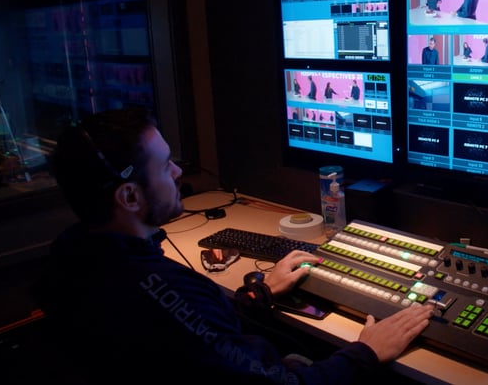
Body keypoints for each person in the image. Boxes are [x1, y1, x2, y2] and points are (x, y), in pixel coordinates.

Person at [32, 108, 434, 384]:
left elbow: (197, 339)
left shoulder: (69, 257)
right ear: (130, 197)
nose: (178, 172)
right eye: (165, 165)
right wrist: (365, 352)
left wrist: (260, 293)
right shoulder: (165, 291)